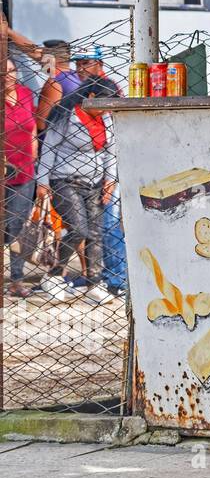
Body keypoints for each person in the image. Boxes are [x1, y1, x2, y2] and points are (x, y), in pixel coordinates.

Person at [33, 75, 121, 304]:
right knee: (79, 229)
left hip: (95, 183)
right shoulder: (67, 116)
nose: (105, 110)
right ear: (91, 97)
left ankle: (94, 283)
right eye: (102, 104)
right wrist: (42, 182)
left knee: (95, 233)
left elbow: (110, 152)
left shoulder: (107, 119)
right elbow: (49, 149)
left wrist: (110, 180)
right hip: (65, 180)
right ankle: (54, 275)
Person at [4, 55, 40, 297]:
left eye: (12, 70)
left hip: (25, 170)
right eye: (3, 71)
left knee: (17, 223)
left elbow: (33, 126)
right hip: (2, 169)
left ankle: (16, 279)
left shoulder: (25, 93)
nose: (9, 75)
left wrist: (34, 150)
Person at [35, 40, 79, 133]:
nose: (41, 61)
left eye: (43, 57)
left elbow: (41, 124)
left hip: (51, 142)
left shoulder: (54, 83)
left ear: (50, 59)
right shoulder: (77, 77)